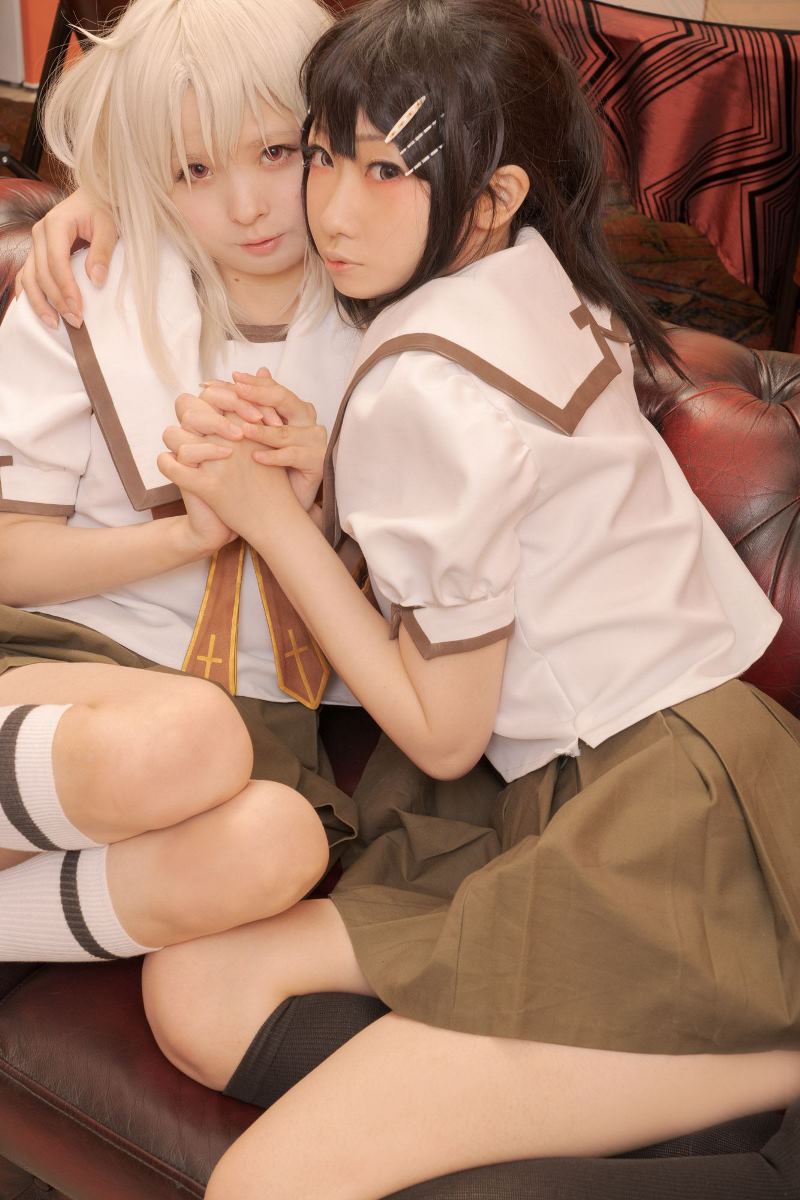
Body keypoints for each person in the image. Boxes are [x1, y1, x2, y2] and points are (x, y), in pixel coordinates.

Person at [132, 0, 799, 1195]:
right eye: (324, 155)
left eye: (386, 171)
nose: (331, 210)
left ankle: (748, 1057)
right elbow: (490, 543)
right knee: (196, 988)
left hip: (654, 827)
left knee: (260, 1184)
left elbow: (439, 729)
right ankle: (614, 1088)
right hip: (653, 773)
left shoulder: (422, 383)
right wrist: (320, 490)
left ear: (490, 197)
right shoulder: (535, 274)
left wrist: (269, 519)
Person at [0, 0, 363, 965]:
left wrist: (310, 511)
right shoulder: (90, 285)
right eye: (194, 171)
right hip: (58, 662)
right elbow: (9, 558)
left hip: (260, 725)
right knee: (186, 736)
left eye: (276, 153)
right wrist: (185, 536)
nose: (246, 208)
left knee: (281, 842)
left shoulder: (400, 319)